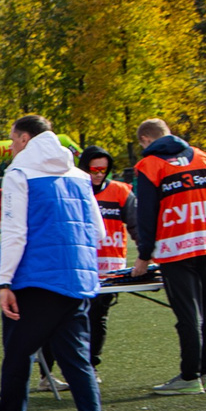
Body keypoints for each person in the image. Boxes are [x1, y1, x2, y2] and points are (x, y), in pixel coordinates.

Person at [0, 116, 109, 411]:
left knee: (16, 358)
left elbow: (14, 231)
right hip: (78, 280)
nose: (11, 146)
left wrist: (4, 281)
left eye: (12, 139)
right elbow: (97, 232)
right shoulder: (80, 175)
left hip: (35, 279)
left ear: (24, 138)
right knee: (77, 361)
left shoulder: (19, 172)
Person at [127, 118, 206, 394]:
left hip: (176, 249)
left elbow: (146, 214)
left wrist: (144, 255)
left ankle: (189, 376)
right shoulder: (202, 157)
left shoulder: (149, 166)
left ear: (145, 141)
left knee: (188, 315)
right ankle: (204, 372)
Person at [80, 147, 132, 373]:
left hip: (111, 269)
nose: (99, 174)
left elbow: (136, 224)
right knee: (74, 318)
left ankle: (91, 366)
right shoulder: (77, 190)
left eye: (104, 169)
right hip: (82, 267)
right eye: (94, 169)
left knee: (98, 317)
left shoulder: (120, 191)